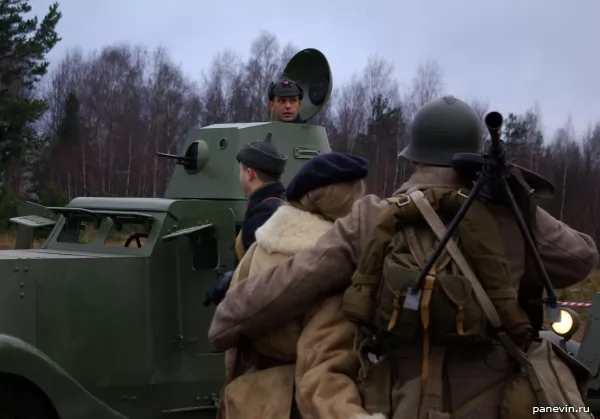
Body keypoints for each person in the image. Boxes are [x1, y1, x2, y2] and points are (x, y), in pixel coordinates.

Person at [208, 96, 599, 418]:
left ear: (413, 159)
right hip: (494, 402)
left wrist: (226, 320)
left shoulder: (372, 218)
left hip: (396, 401)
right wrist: (516, 199)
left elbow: (286, 286)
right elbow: (580, 257)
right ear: (471, 158)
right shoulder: (508, 219)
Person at [216, 152, 379, 419]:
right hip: (291, 406)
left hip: (248, 399)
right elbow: (322, 374)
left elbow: (234, 337)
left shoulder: (260, 245)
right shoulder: (333, 273)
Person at [202, 134, 287, 306]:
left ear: (250, 174)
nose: (239, 176)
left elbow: (261, 277)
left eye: (241, 170)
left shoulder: (262, 214)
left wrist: (230, 285)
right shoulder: (280, 205)